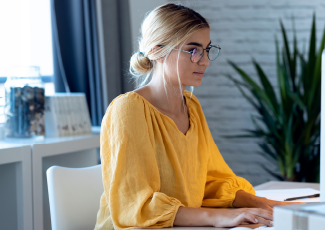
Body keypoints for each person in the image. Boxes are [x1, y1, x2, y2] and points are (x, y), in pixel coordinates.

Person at [93, 3, 298, 230]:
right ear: (157, 50)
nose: (205, 61)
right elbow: (136, 206)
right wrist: (217, 217)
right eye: (193, 50)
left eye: (207, 49)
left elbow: (211, 180)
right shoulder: (128, 109)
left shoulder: (192, 106)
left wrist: (262, 203)